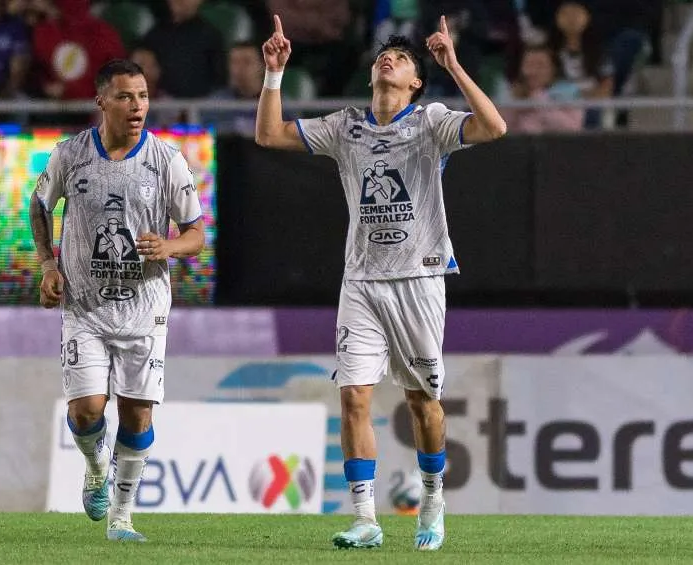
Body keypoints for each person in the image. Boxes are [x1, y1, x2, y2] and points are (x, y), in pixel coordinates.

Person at [255, 14, 506, 550]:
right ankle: (366, 518)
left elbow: (494, 127)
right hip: (362, 281)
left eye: (401, 59)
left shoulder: (431, 122)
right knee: (353, 398)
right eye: (381, 58)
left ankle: (433, 500)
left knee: (422, 403)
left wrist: (454, 66)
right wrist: (274, 73)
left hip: (419, 279)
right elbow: (269, 134)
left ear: (416, 81)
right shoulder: (346, 126)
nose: (386, 61)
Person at [28, 59, 205, 542]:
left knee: (137, 414)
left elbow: (196, 233)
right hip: (84, 308)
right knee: (86, 410)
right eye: (126, 96)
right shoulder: (70, 155)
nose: (138, 106)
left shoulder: (167, 161)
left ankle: (122, 519)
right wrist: (47, 264)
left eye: (144, 96)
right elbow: (39, 205)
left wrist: (168, 247)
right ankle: (93, 468)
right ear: (101, 101)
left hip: (145, 310)